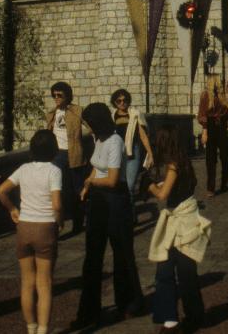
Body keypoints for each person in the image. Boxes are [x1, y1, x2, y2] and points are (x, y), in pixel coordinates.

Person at [76, 102, 144, 326]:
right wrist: (88, 185)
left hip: (116, 200)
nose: (89, 129)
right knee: (92, 256)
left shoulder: (114, 141)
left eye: (90, 124)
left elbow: (113, 179)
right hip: (98, 199)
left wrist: (91, 181)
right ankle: (88, 310)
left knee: (122, 252)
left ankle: (129, 303)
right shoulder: (99, 139)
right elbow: (97, 165)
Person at [0, 129, 63, 334]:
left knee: (27, 283)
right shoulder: (54, 171)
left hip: (24, 226)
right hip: (45, 227)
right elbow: (57, 204)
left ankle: (31, 328)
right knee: (44, 284)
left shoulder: (23, 169)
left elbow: (1, 191)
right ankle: (43, 330)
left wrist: (12, 210)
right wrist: (59, 222)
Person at [147, 126, 210, 331]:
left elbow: (163, 194)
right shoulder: (184, 162)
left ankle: (171, 319)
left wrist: (149, 185)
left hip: (179, 222)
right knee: (186, 273)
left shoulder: (173, 165)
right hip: (188, 218)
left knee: (166, 271)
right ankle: (193, 315)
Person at [46, 81, 87, 237]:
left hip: (75, 154)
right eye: (54, 95)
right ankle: (57, 226)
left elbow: (91, 125)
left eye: (59, 95)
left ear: (67, 96)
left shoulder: (77, 111)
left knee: (78, 191)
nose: (56, 98)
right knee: (58, 191)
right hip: (57, 155)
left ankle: (78, 224)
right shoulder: (51, 113)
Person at [111, 88, 154, 217]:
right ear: (115, 102)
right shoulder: (112, 116)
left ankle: (129, 215)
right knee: (119, 186)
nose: (122, 103)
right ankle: (128, 213)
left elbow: (143, 135)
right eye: (119, 101)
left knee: (129, 186)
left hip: (132, 152)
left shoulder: (135, 114)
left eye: (125, 100)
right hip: (117, 153)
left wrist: (150, 153)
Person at [196, 74, 228, 197]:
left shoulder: (222, 96)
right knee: (211, 159)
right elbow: (202, 114)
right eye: (218, 81)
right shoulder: (205, 95)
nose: (219, 83)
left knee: (226, 156)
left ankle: (224, 183)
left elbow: (227, 112)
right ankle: (211, 187)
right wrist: (204, 131)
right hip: (210, 126)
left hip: (221, 127)